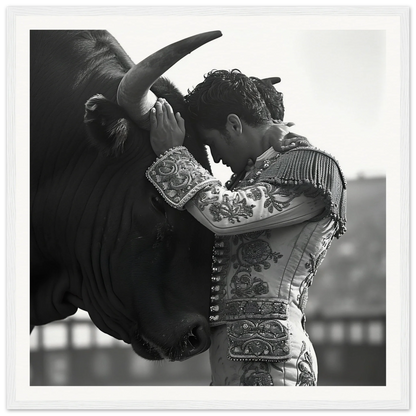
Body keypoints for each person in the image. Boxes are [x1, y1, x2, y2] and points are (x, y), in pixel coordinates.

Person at [146, 69, 347, 386]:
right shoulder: (255, 176)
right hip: (238, 358)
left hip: (274, 362)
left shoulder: (309, 167)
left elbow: (224, 214)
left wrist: (173, 155)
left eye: (211, 143)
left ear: (234, 124)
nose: (215, 158)